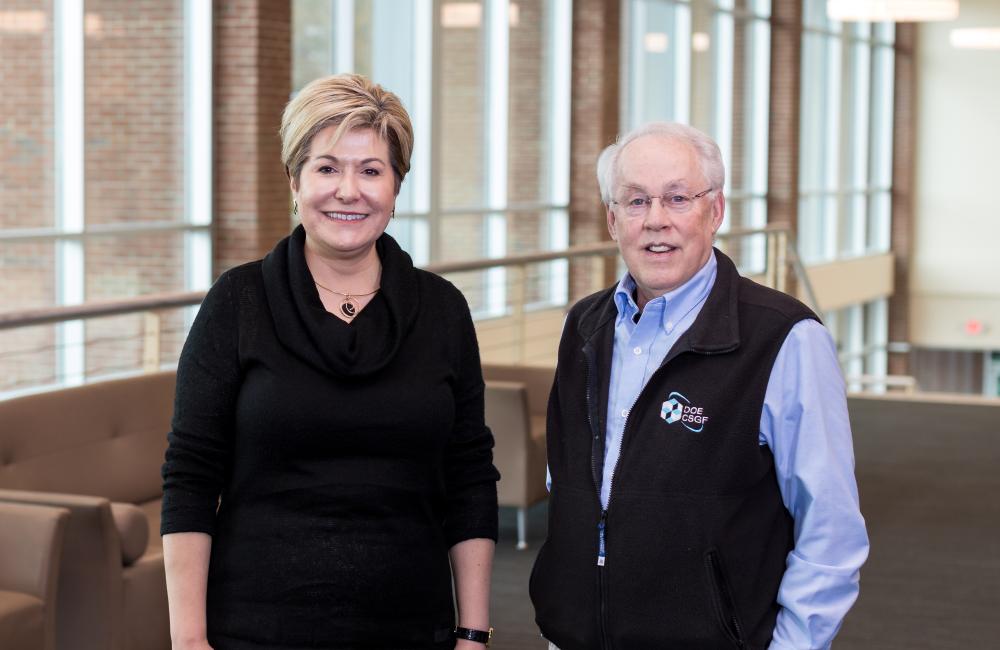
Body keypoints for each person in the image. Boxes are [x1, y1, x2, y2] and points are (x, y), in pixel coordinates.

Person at [161, 73, 499, 650]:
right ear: (294, 182)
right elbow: (191, 476)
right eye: (326, 167)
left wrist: (473, 632)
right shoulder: (237, 302)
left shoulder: (443, 310)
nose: (349, 190)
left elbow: (468, 476)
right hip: (255, 629)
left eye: (371, 170)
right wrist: (189, 642)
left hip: (412, 628)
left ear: (396, 187)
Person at [529, 122, 869, 650]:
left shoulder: (785, 338)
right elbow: (570, 487)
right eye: (636, 201)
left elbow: (831, 528)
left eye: (678, 198)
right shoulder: (584, 326)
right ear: (613, 219)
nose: (656, 221)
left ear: (716, 211)